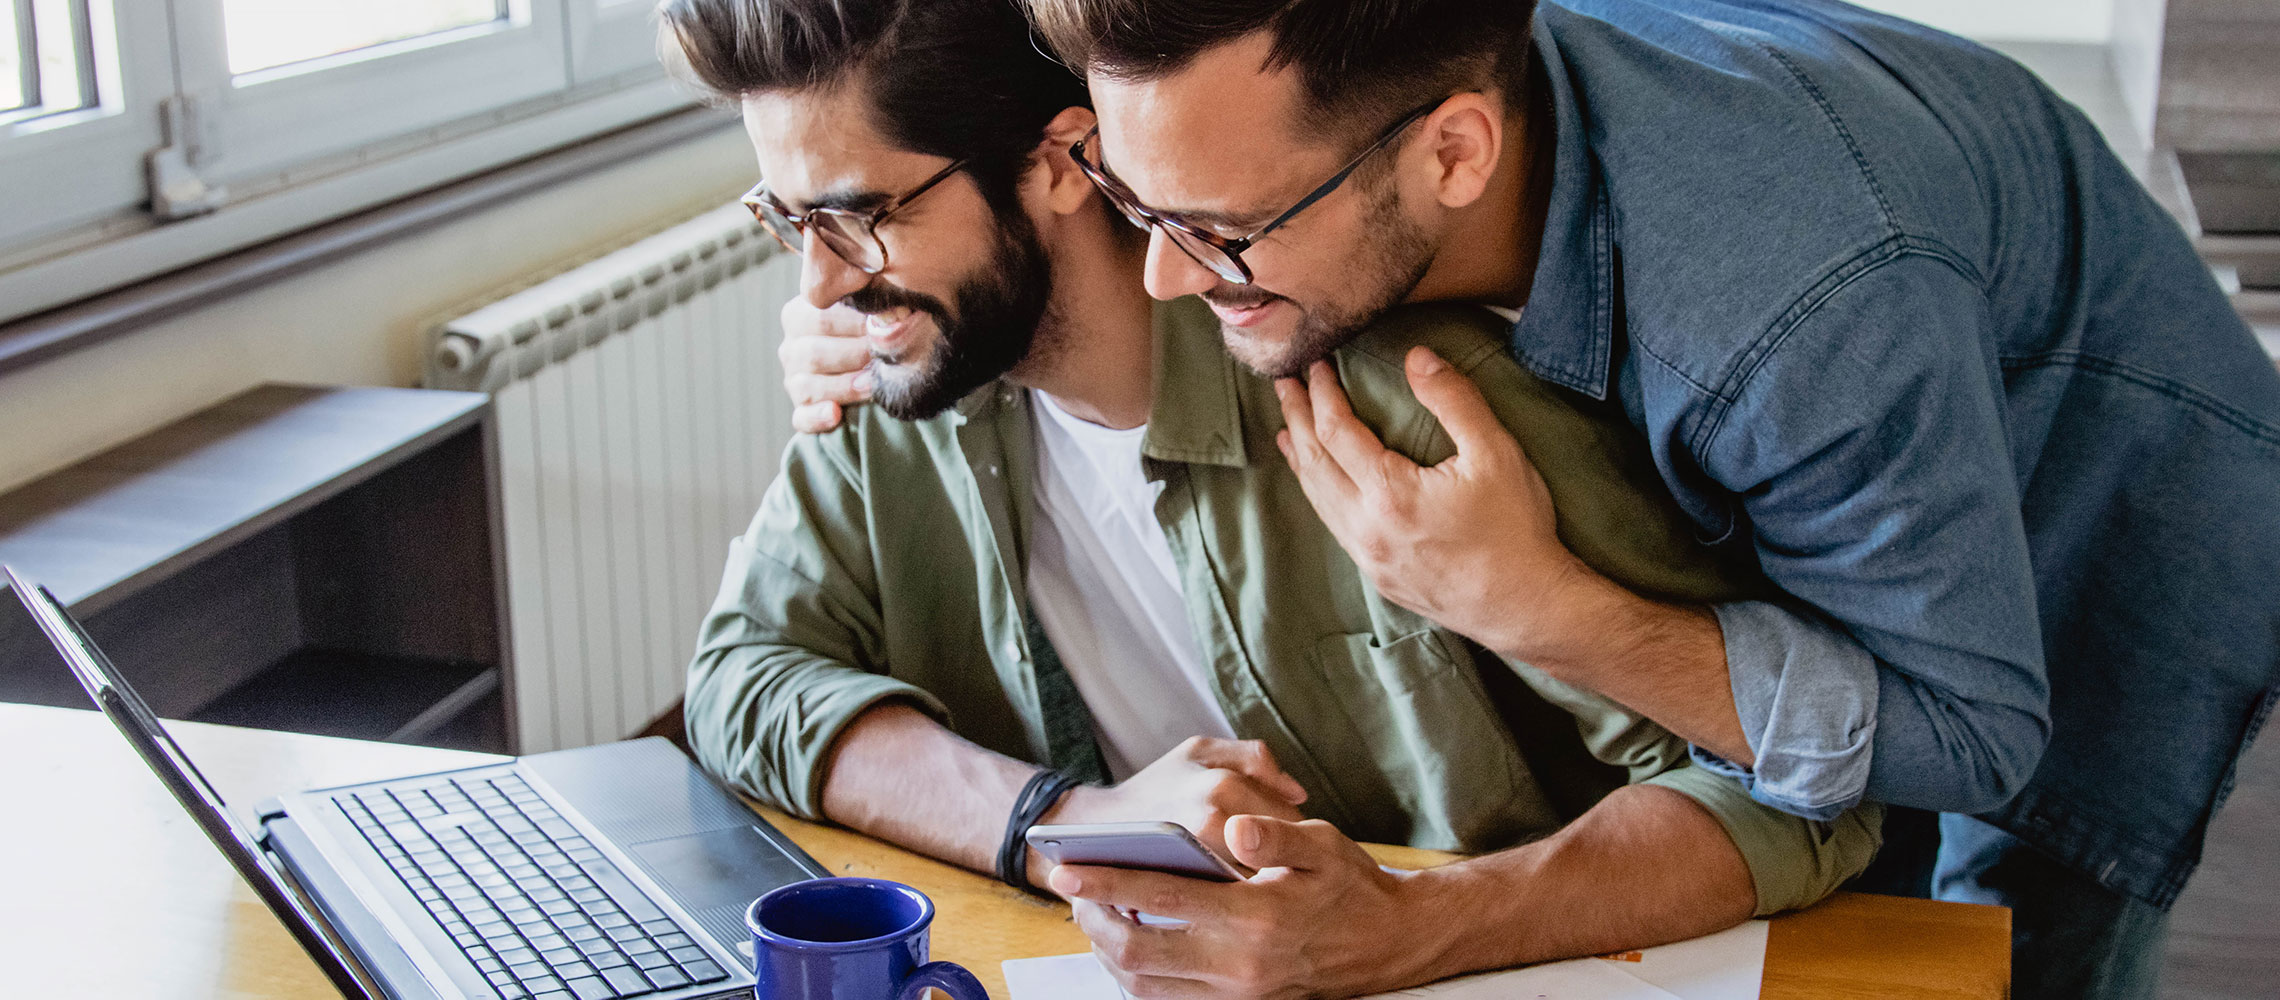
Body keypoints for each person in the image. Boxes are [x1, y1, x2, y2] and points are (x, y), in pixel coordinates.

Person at [812, 0, 2280, 997]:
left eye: (1223, 231)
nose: (1167, 282)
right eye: (1141, 207)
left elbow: (1966, 731)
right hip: (1862, 343)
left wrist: (1548, 612)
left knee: (1985, 945)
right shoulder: (1396, 82)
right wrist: (872, 290)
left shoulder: (1797, 311)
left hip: (2111, 479)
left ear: (1455, 152)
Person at [657, 0, 1881, 995]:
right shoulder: (900, 388)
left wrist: (1416, 924)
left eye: (860, 216)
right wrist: (1055, 817)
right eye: (790, 218)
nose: (819, 282)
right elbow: (744, 676)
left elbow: (1792, 797)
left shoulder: (1411, 401)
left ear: (1067, 163)